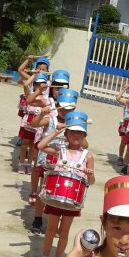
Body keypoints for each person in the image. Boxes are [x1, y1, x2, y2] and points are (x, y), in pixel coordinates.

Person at [34, 111, 95, 257]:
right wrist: (56, 131)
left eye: (80, 133)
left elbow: (91, 182)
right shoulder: (59, 150)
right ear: (67, 134)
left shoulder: (87, 156)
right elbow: (40, 146)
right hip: (56, 196)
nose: (76, 135)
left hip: (72, 198)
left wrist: (89, 173)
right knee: (51, 229)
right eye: (73, 132)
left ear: (84, 136)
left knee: (64, 232)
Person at [29, 87, 78, 234]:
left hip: (64, 163)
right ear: (58, 106)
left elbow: (85, 144)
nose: (65, 111)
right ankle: (37, 218)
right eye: (62, 108)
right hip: (47, 160)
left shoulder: (74, 123)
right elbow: (34, 124)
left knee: (61, 191)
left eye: (69, 109)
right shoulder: (51, 118)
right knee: (43, 191)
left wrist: (77, 133)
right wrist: (41, 115)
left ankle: (54, 222)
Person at [17, 72, 50, 175]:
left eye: (42, 84)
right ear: (34, 85)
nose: (39, 86)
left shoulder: (47, 97)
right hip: (28, 122)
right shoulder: (30, 94)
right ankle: (22, 163)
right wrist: (34, 75)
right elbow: (26, 85)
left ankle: (29, 165)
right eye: (37, 84)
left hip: (38, 123)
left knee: (32, 145)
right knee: (24, 144)